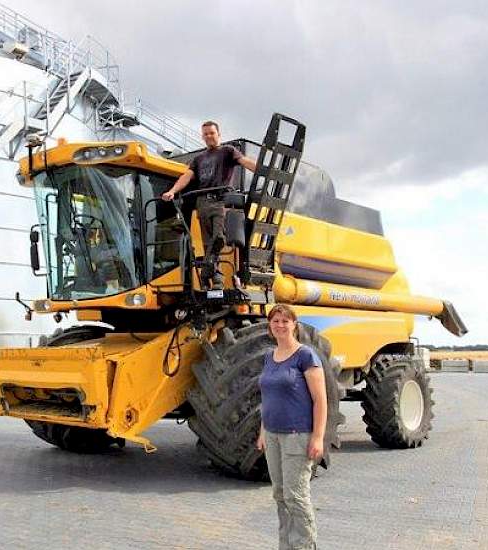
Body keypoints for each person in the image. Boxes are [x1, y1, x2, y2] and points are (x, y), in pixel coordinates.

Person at [256, 304, 327, 550]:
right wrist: (263, 431)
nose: (280, 325)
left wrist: (318, 437)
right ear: (270, 325)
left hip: (298, 436)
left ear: (294, 324)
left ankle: (305, 546)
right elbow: (268, 397)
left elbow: (320, 400)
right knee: (280, 495)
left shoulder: (305, 356)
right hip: (273, 435)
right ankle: (286, 546)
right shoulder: (269, 356)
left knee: (295, 497)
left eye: (285, 321)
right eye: (275, 321)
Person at [161, 120, 256, 289]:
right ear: (202, 136)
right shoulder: (198, 159)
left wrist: (262, 171)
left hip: (220, 201)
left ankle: (205, 272)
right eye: (205, 134)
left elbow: (244, 161)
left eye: (211, 133)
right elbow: (187, 177)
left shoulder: (228, 151)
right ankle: (216, 281)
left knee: (219, 238)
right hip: (202, 203)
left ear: (218, 134)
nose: (209, 136)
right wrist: (173, 191)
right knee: (207, 245)